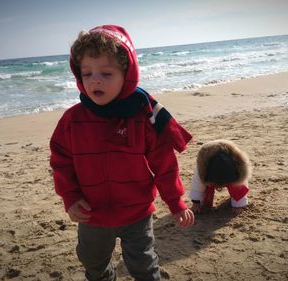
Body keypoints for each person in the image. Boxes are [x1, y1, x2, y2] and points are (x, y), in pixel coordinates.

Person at [50, 25, 195, 281]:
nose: (95, 80)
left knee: (144, 265)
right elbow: (61, 161)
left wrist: (175, 201)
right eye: (87, 73)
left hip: (136, 212)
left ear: (126, 75)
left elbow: (164, 163)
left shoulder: (141, 116)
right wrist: (70, 197)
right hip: (91, 214)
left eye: (106, 73)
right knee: (94, 264)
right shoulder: (72, 120)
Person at [189, 139, 252, 215]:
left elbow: (241, 185)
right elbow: (197, 187)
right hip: (209, 169)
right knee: (204, 194)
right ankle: (205, 202)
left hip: (231, 171)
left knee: (236, 185)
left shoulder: (238, 166)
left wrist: (238, 205)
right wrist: (196, 204)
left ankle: (237, 204)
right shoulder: (202, 168)